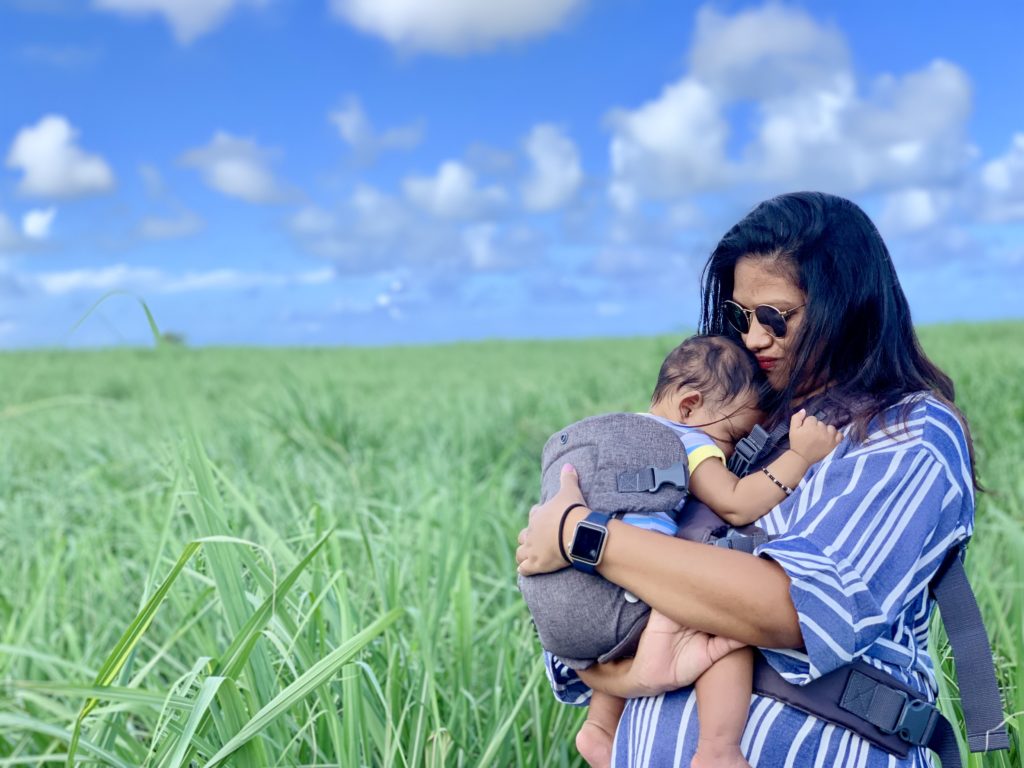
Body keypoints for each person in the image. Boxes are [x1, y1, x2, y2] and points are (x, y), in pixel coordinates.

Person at [516, 192, 978, 767]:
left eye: (775, 318)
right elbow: (583, 639)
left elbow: (793, 609)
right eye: (740, 317)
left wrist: (583, 536)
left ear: (845, 309)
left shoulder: (905, 431)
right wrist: (637, 671)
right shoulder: (728, 435)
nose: (753, 338)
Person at [527, 335, 842, 768]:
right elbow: (735, 501)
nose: (731, 452)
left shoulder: (622, 433)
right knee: (721, 628)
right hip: (632, 596)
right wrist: (801, 456)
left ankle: (599, 730)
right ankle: (718, 750)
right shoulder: (687, 441)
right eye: (732, 436)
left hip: (576, 605)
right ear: (689, 406)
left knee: (622, 628)